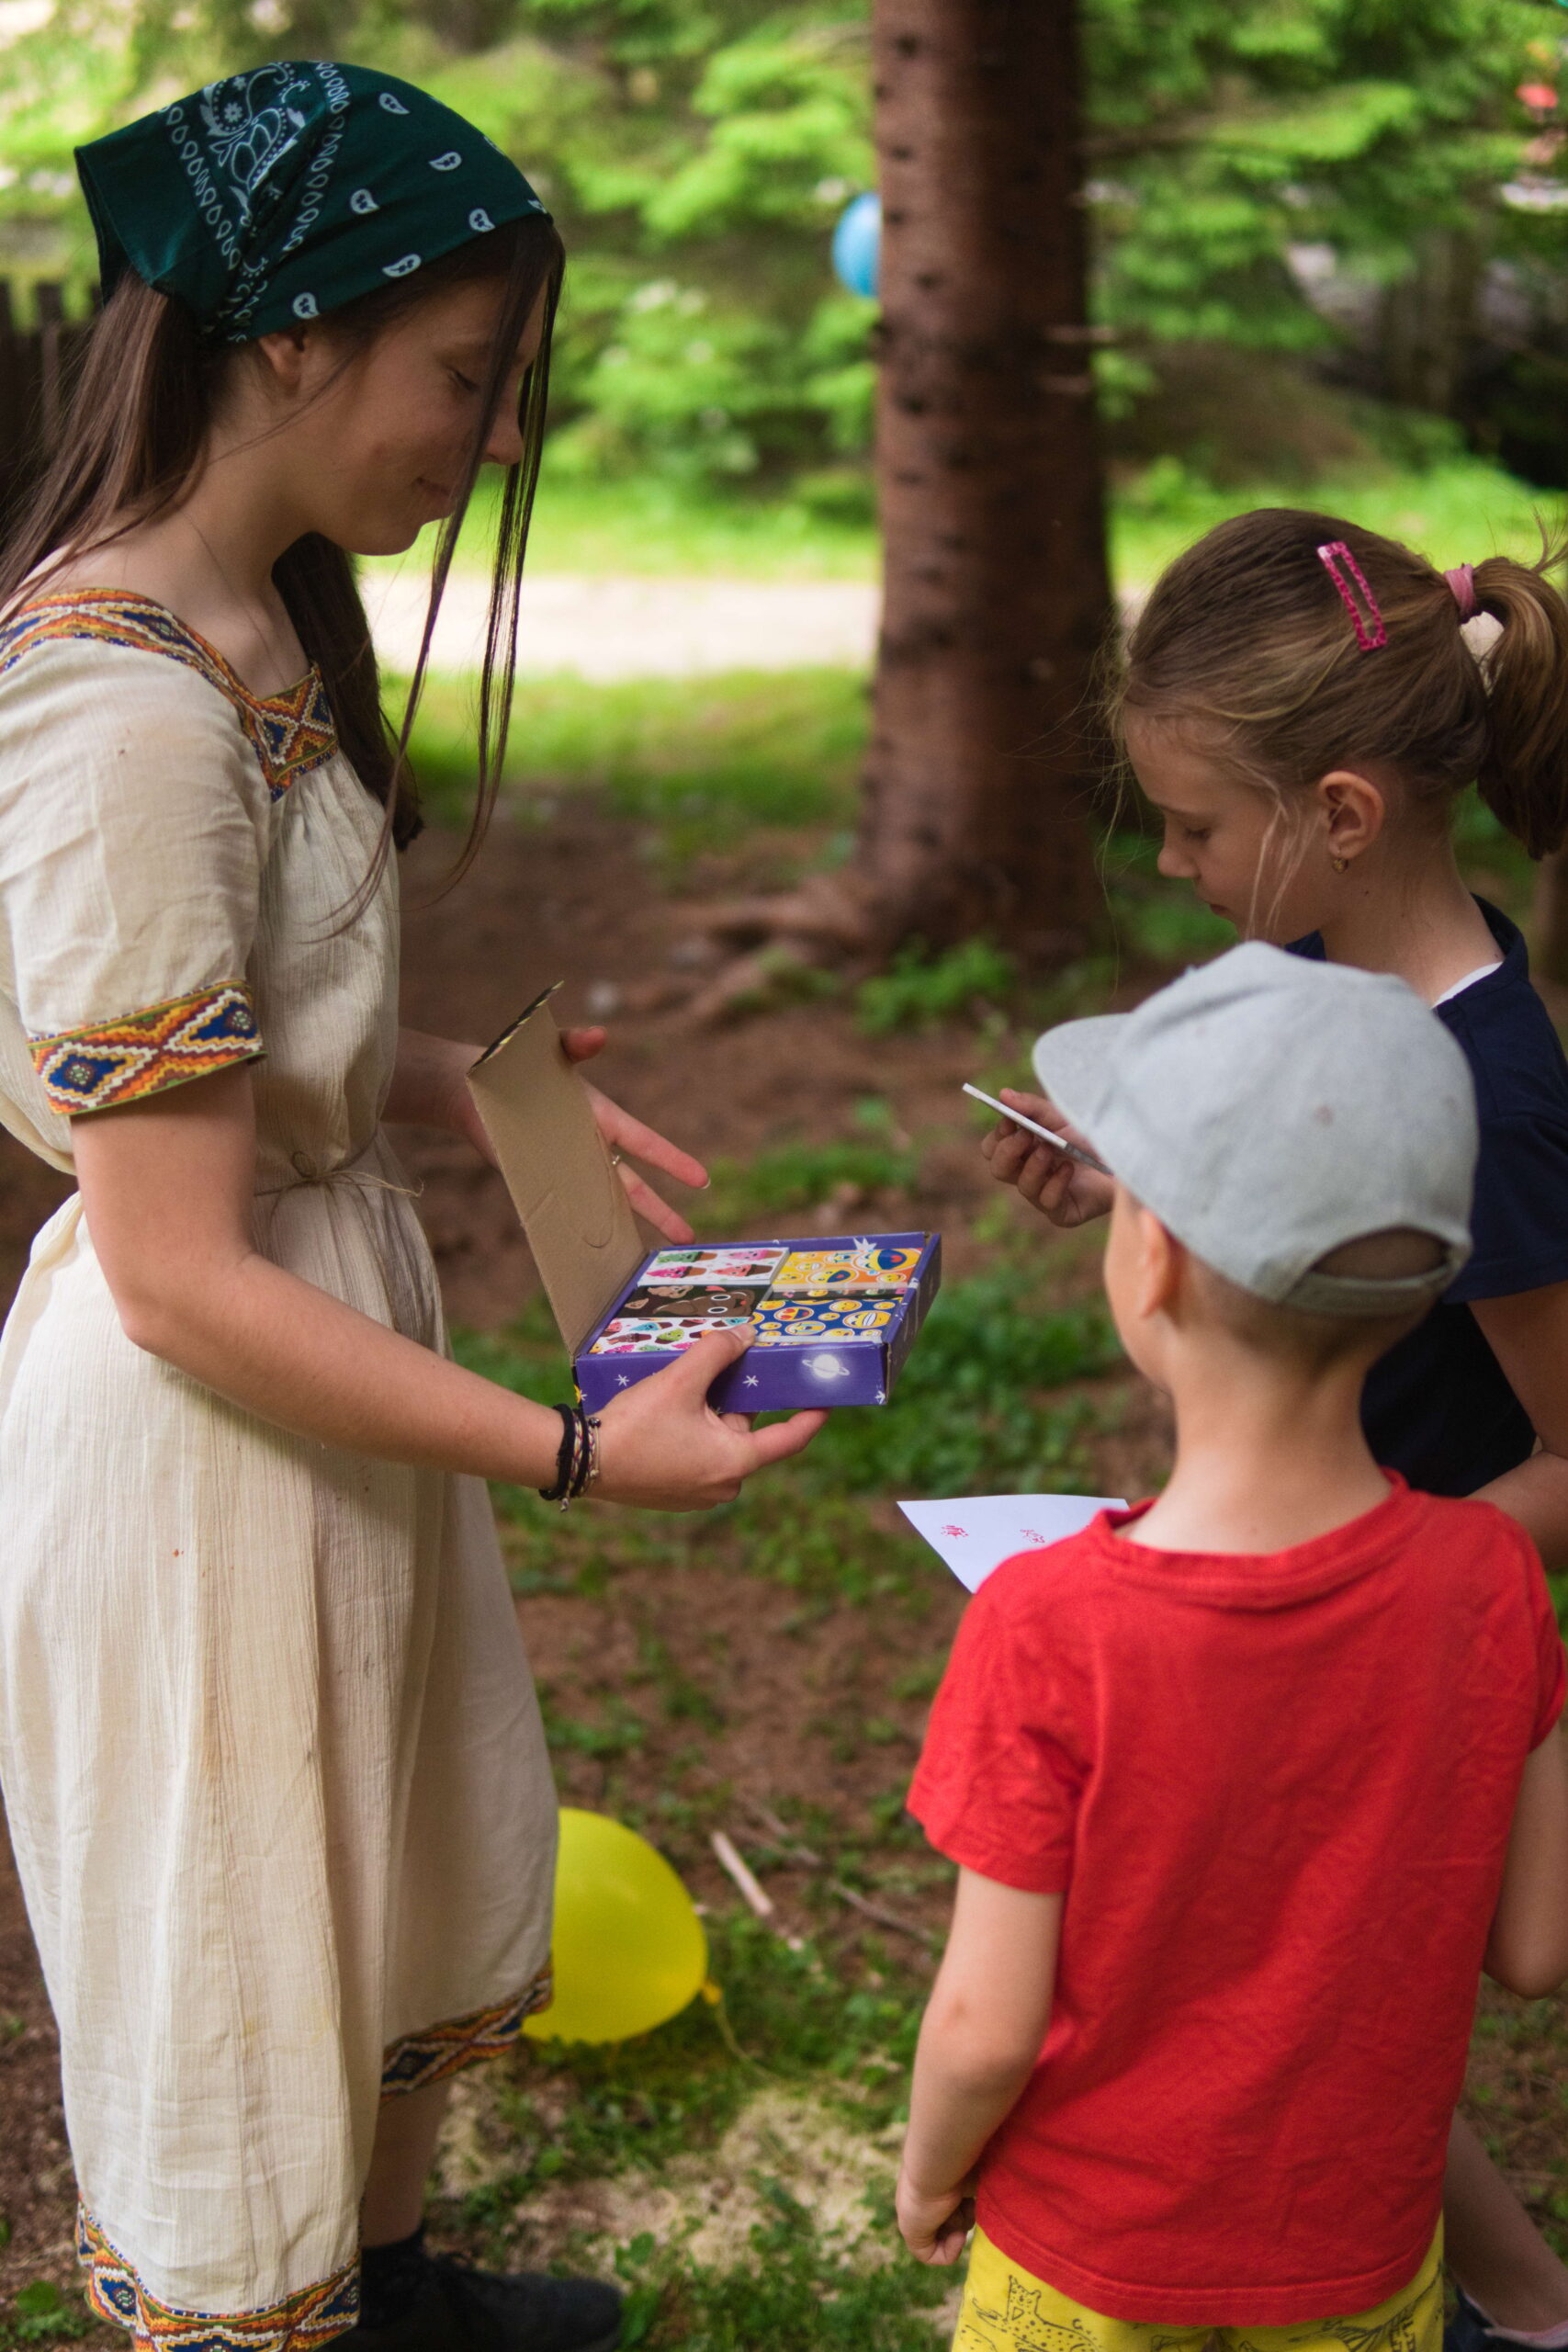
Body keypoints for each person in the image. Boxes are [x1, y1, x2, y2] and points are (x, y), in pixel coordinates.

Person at [0, 63, 822, 2352]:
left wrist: (454, 1078)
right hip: (207, 1421)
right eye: (467, 374)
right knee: (242, 1934)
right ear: (292, 332)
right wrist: (573, 1447)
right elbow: (175, 1271)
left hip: (313, 1369)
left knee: (368, 1866)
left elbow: (232, 1037)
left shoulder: (253, 619)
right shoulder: (118, 711)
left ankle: (383, 2286)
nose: (493, 438)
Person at [984, 508, 1568, 2349]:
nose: (1168, 862)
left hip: (1381, 1624)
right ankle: (1525, 2299)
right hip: (1301, 1582)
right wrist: (1148, 1178)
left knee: (1303, 1986)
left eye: (1190, 825)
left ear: (1339, 811)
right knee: (1295, 1985)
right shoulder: (1342, 970)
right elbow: (1322, 1213)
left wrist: (1388, 1576)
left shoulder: (1495, 1098)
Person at [905, 944, 1568, 2352]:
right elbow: (1531, 1945)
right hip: (1365, 2265)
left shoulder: (1045, 1624)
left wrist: (928, 2174)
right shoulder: (1494, 1580)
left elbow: (983, 2029)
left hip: (1086, 2275)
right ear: (1426, 1285)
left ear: (1146, 1257)